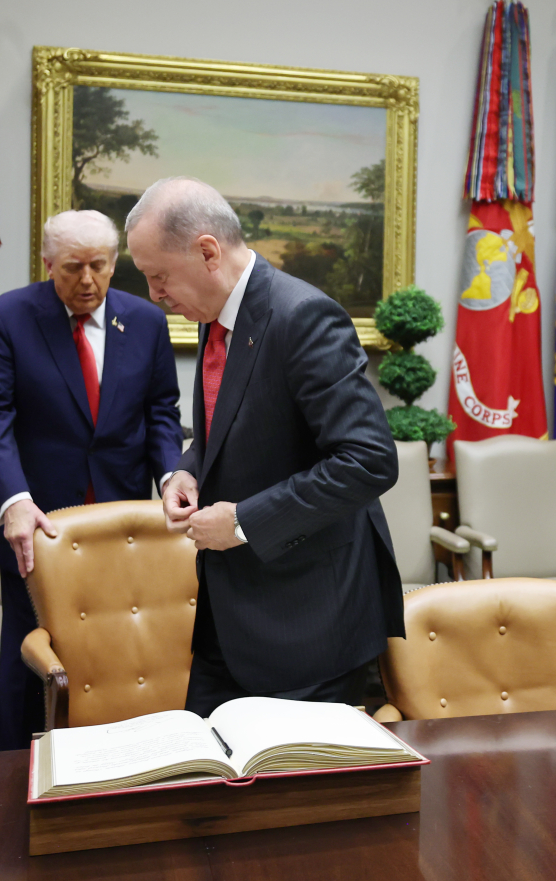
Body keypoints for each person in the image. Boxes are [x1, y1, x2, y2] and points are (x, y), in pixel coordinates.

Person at [126, 177, 404, 718]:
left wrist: (242, 522)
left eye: (158, 276)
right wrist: (188, 469)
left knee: (290, 777)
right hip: (230, 619)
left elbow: (368, 460)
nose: (154, 294)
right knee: (205, 766)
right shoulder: (213, 314)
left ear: (208, 252)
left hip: (309, 622)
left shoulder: (303, 316)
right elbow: (231, 424)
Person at [0, 209, 184, 749]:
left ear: (114, 263)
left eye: (99, 266)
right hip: (35, 525)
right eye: (72, 267)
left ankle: (113, 765)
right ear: (47, 264)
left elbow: (161, 412)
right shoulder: (10, 317)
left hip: (116, 524)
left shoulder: (146, 321)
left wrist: (170, 477)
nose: (87, 280)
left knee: (114, 656)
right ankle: (18, 770)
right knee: (29, 659)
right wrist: (13, 501)